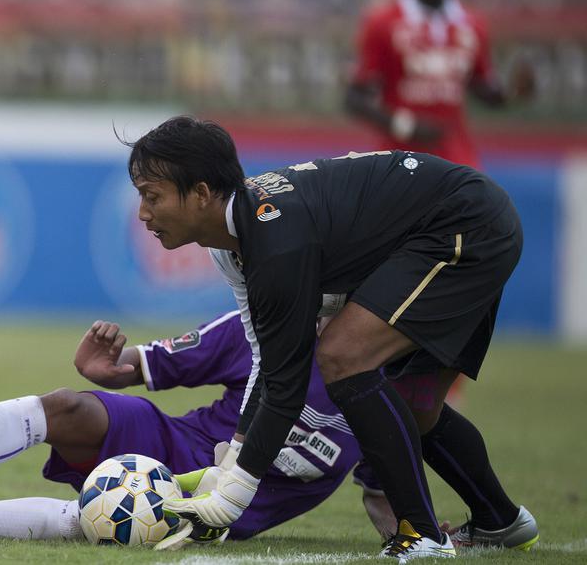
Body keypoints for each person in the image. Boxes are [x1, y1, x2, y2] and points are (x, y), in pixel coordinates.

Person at [128, 117, 537, 560]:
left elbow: (287, 382)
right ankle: (501, 521)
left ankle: (423, 535)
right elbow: (266, 362)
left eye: (152, 196)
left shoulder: (274, 241)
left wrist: (231, 496)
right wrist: (231, 463)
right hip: (455, 218)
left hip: (465, 223)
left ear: (202, 193)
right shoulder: (235, 243)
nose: (143, 213)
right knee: (417, 410)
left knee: (343, 355)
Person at [0, 311, 392, 546]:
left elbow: (386, 491)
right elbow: (152, 362)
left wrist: (420, 535)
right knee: (66, 406)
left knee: (103, 521)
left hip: (218, 504)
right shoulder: (262, 326)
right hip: (180, 440)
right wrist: (107, 366)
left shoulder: (388, 387)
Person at [346, 0, 535, 169]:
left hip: (456, 158)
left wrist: (512, 93)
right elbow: (354, 99)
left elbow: (482, 88)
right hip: (398, 160)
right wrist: (405, 126)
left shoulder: (471, 24)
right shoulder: (383, 22)